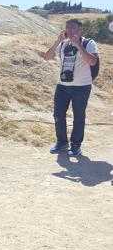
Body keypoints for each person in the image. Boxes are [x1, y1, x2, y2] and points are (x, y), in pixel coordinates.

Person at [43, 19, 99, 157]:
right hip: (62, 86)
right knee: (58, 115)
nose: (69, 30)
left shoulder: (89, 43)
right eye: (67, 27)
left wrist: (79, 46)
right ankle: (62, 142)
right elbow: (47, 57)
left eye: (72, 27)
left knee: (79, 117)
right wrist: (57, 41)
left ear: (80, 29)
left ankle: (76, 145)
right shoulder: (62, 44)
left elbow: (92, 61)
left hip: (81, 87)